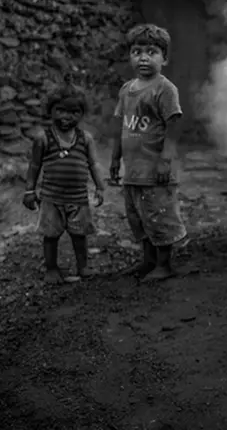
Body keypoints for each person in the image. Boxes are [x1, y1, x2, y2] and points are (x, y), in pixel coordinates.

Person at [109, 23, 187, 283]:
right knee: (139, 217)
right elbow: (121, 126)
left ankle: (164, 264)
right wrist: (114, 159)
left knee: (159, 215)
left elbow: (174, 125)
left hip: (156, 170)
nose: (143, 57)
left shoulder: (165, 89)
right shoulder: (126, 90)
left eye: (151, 51)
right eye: (137, 51)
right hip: (133, 170)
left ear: (164, 58)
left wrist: (166, 160)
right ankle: (148, 260)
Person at [23, 79, 105, 284]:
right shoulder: (43, 138)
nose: (67, 117)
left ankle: (83, 266)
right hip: (51, 197)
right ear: (50, 110)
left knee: (80, 235)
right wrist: (29, 190)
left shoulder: (85, 138)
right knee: (50, 235)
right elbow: (34, 165)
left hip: (78, 197)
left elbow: (94, 164)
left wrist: (100, 187)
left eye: (74, 112)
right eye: (60, 110)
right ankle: (51, 268)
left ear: (81, 114)